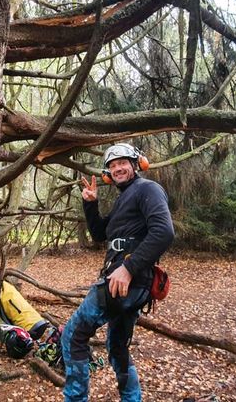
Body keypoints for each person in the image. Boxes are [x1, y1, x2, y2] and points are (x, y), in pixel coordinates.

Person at [61, 143, 174, 402]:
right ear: (108, 174)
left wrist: (128, 268)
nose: (117, 169)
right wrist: (91, 205)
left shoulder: (147, 189)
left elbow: (164, 232)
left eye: (122, 163)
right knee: (117, 346)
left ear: (136, 165)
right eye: (112, 166)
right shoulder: (125, 198)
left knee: (72, 337)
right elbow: (100, 234)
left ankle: (75, 398)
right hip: (128, 285)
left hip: (125, 282)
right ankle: (132, 399)